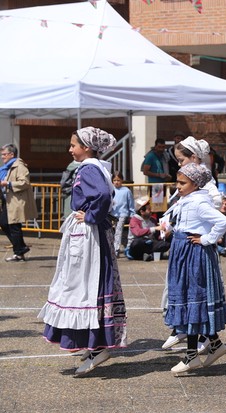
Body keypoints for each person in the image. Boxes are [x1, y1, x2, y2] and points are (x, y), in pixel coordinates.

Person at [38, 127, 127, 376]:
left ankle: (97, 346)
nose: (70, 149)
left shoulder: (88, 168)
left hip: (89, 235)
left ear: (86, 147)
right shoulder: (96, 167)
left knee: (85, 286)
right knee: (87, 285)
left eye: (73, 145)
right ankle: (94, 342)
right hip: (89, 233)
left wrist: (89, 215)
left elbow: (101, 195)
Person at [161, 163, 226, 374]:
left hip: (194, 254)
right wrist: (169, 228)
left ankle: (192, 355)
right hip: (183, 251)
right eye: (178, 182)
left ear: (195, 184)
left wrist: (206, 239)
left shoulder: (199, 203)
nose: (178, 186)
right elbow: (178, 221)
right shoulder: (185, 200)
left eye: (183, 183)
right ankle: (215, 344)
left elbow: (222, 221)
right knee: (187, 298)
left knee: (192, 299)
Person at [0, 143, 38, 262]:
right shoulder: (6, 168)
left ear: (12, 154)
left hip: (15, 202)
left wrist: (9, 184)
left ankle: (19, 252)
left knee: (14, 226)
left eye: (4, 154)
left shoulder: (19, 166)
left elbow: (25, 183)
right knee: (5, 223)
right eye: (2, 155)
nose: (2, 157)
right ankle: (20, 248)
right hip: (7, 201)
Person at [172, 136, 222, 208]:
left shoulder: (203, 176)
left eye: (181, 160)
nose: (179, 164)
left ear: (193, 158)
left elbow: (216, 201)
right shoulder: (189, 175)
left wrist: (196, 210)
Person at [126, 196, 171, 261]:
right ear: (142, 211)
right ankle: (150, 255)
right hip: (137, 246)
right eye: (149, 209)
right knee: (138, 242)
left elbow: (157, 237)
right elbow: (138, 232)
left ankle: (149, 255)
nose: (151, 211)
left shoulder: (153, 220)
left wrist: (164, 235)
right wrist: (154, 228)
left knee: (166, 243)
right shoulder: (134, 220)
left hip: (150, 245)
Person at [110, 171, 135, 256]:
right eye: (114, 180)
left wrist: (132, 213)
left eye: (118, 180)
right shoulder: (111, 190)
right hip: (112, 213)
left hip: (122, 213)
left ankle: (116, 249)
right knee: (112, 231)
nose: (116, 182)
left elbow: (130, 202)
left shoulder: (126, 191)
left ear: (122, 180)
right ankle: (113, 247)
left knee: (119, 231)